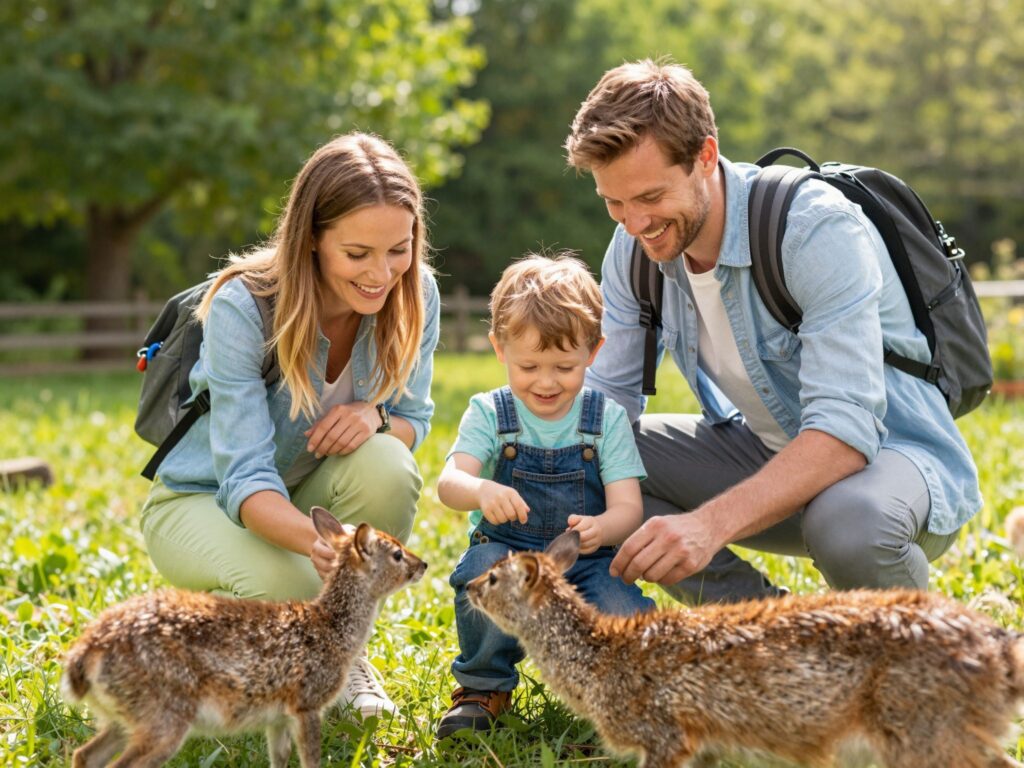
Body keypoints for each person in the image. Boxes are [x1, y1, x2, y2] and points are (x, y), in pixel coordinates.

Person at [564, 59, 982, 604]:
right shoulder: (635, 250)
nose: (634, 223)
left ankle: (925, 658)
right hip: (766, 452)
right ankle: (767, 637)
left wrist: (707, 525)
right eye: (613, 203)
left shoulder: (813, 229)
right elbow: (607, 406)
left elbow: (844, 438)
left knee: (849, 523)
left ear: (705, 155)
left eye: (649, 197)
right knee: (588, 464)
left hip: (890, 464)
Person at [139, 132, 440, 718]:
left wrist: (374, 416)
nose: (382, 274)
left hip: (308, 491)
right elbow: (246, 479)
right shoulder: (241, 306)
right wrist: (324, 550)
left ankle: (344, 656)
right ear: (311, 240)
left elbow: (414, 420)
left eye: (398, 249)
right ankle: (203, 624)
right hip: (202, 500)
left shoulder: (416, 292)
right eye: (358, 254)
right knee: (296, 588)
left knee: (389, 467)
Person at [435, 254, 654, 739]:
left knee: (622, 612)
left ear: (593, 352)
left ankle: (621, 693)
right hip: (510, 553)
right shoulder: (490, 412)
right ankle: (483, 686)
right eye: (529, 365)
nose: (547, 381)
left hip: (586, 559)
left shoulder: (606, 418)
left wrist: (605, 528)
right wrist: (482, 488)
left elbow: (628, 508)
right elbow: (450, 483)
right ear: (499, 349)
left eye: (565, 366)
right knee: (480, 572)